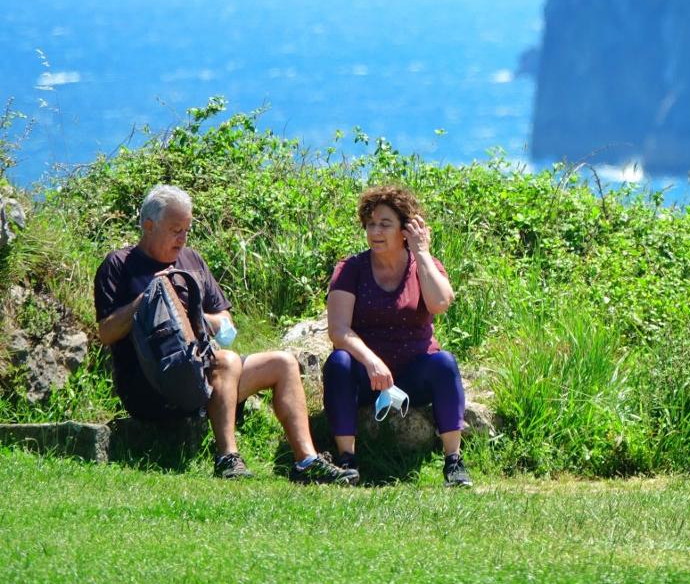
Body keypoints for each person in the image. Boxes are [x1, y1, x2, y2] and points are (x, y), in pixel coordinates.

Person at [94, 184, 359, 485]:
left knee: (283, 363)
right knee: (228, 362)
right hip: (152, 385)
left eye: (187, 230)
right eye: (175, 230)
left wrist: (193, 316)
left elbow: (226, 325)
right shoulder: (118, 264)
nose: (182, 238)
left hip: (202, 377)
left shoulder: (192, 261)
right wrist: (148, 300)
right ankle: (227, 457)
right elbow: (106, 332)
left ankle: (306, 461)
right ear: (149, 226)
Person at [322, 184, 472, 486]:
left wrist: (422, 253)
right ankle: (347, 461)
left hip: (414, 371)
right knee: (338, 362)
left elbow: (440, 303)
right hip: (368, 374)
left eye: (385, 224)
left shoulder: (423, 265)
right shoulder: (351, 268)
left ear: (404, 229)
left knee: (444, 362)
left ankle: (453, 462)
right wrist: (371, 361)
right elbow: (338, 330)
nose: (375, 231)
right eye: (371, 224)